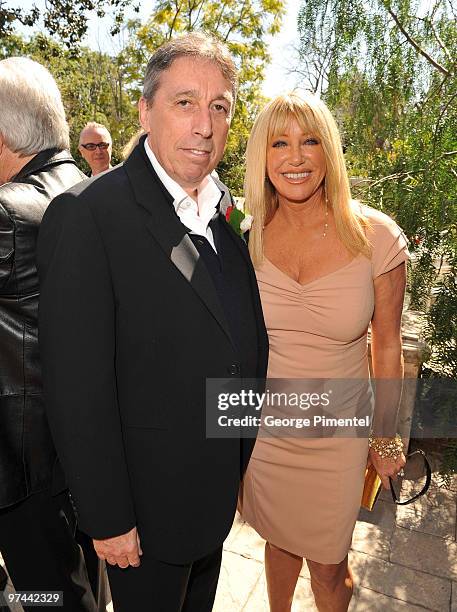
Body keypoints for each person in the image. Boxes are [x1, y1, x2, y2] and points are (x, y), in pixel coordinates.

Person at [37, 32, 268, 612]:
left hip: (210, 504)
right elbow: (75, 388)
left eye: (220, 107)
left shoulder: (221, 217)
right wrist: (108, 517)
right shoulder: (90, 216)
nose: (206, 124)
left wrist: (232, 466)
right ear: (145, 110)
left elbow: (233, 346)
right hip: (141, 522)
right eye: (185, 102)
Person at [238, 92, 407, 612]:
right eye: (279, 142)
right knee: (278, 541)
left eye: (310, 141)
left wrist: (387, 435)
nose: (295, 157)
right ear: (261, 157)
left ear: (328, 151)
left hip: (339, 436)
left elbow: (387, 344)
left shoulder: (375, 237)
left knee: (331, 568)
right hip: (268, 433)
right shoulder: (248, 237)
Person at [0, 57, 100, 611]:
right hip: (81, 448)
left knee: (48, 593)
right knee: (83, 575)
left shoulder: (8, 210)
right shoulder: (87, 188)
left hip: (24, 464)